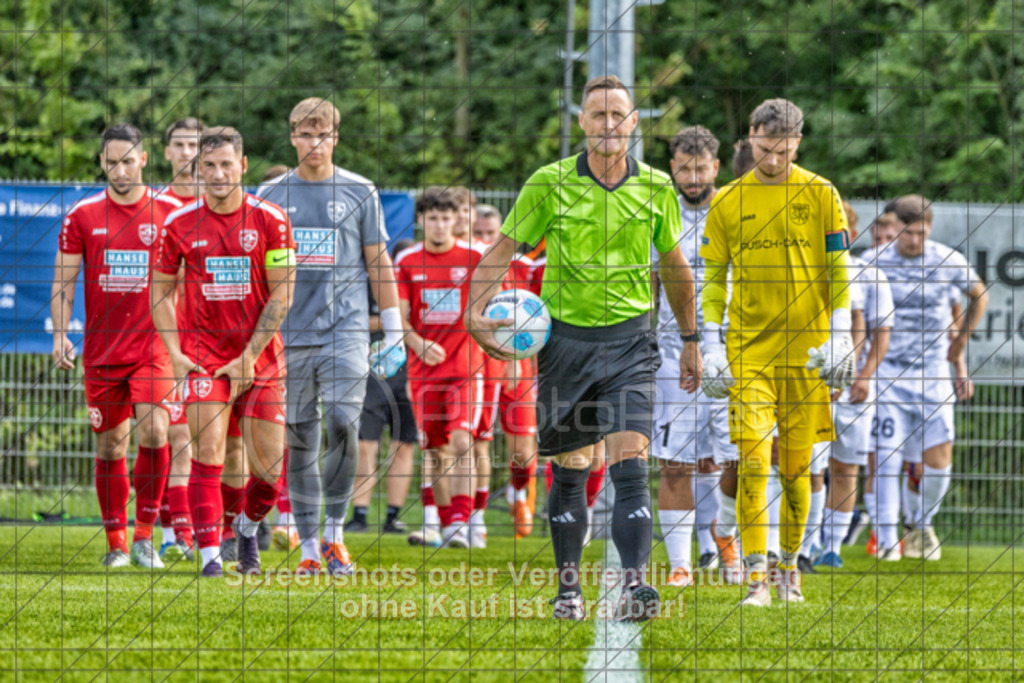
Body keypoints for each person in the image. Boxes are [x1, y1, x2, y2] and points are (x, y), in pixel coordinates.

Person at [465, 75, 702, 622]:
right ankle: (568, 591)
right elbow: (503, 250)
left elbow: (675, 268)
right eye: (598, 114)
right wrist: (475, 313)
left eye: (618, 113)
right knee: (571, 468)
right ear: (582, 122)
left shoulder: (658, 187)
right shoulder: (548, 183)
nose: (609, 123)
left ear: (635, 121)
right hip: (565, 343)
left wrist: (691, 340)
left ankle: (636, 587)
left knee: (630, 461)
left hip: (631, 343)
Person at [700, 98, 854, 607]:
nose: (773, 159)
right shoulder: (727, 201)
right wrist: (709, 338)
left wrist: (840, 334)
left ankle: (790, 568)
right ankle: (755, 579)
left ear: (798, 143)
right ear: (751, 136)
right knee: (751, 459)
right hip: (748, 355)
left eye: (784, 150)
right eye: (766, 148)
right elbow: (714, 277)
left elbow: (837, 270)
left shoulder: (822, 193)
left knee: (796, 471)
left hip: (807, 355)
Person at [256, 98, 401, 576]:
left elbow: (378, 262)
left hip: (347, 330)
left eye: (323, 134)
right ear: (292, 137)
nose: (314, 143)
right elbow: (259, 271)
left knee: (342, 421)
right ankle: (311, 548)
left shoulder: (360, 191)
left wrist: (394, 329)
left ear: (335, 138)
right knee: (299, 438)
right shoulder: (270, 195)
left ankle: (337, 534)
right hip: (290, 335)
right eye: (304, 134)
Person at [152, 126, 296, 578]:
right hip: (202, 359)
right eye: (208, 166)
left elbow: (283, 295)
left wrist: (250, 355)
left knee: (269, 474)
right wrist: (175, 353)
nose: (217, 174)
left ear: (243, 165)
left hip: (262, 360)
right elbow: (159, 294)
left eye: (225, 165)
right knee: (208, 454)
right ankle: (211, 557)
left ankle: (248, 529)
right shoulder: (178, 224)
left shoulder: (272, 219)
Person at [52, 123, 182, 569]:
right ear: (102, 163)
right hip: (103, 351)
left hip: (154, 348)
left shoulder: (172, 212)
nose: (121, 169)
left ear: (144, 159)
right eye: (112, 162)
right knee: (110, 448)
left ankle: (145, 536)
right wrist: (59, 334)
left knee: (156, 430)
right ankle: (116, 544)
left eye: (128, 160)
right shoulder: (83, 216)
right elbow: (63, 282)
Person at [863, 194, 987, 561]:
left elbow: (979, 296)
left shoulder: (946, 260)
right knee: (885, 458)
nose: (914, 239)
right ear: (894, 226)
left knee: (939, 459)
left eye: (921, 232)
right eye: (907, 232)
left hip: (932, 376)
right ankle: (886, 540)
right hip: (887, 377)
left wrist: (958, 348)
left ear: (929, 229)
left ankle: (920, 525)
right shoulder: (873, 263)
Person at [650, 125, 740, 588]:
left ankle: (726, 543)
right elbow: (650, 282)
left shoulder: (735, 210)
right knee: (676, 461)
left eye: (700, 168)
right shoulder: (658, 210)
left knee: (736, 459)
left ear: (716, 168)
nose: (692, 177)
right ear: (672, 167)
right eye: (684, 168)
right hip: (672, 355)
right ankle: (681, 564)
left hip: (728, 351)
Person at [397, 187, 484, 549]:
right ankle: (445, 524)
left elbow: (495, 310)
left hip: (465, 368)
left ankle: (463, 523)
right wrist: (416, 342)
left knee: (463, 442)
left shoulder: (476, 256)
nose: (439, 225)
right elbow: (398, 319)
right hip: (423, 371)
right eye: (432, 218)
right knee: (434, 451)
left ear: (457, 220)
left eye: (446, 218)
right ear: (421, 220)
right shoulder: (406, 261)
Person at [813, 202, 893, 569]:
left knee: (846, 467)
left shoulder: (869, 275)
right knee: (808, 466)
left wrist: (859, 376)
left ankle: (833, 546)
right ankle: (807, 542)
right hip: (810, 384)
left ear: (853, 232)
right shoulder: (803, 268)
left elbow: (877, 332)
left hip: (852, 387)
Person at [471, 205, 540, 539]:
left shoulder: (524, 267)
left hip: (520, 362)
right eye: (479, 232)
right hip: (478, 362)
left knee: (523, 449)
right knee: (475, 442)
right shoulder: (469, 261)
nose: (485, 240)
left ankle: (518, 492)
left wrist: (521, 354)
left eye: (491, 234)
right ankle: (476, 518)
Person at [156, 117, 206, 562]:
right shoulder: (154, 207)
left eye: (196, 144)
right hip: (165, 343)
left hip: (214, 342)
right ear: (167, 152)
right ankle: (173, 532)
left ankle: (214, 530)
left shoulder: (220, 206)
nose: (188, 152)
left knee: (212, 440)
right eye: (181, 144)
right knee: (172, 435)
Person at [347, 239, 419, 535]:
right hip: (372, 376)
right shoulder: (363, 282)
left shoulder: (416, 281)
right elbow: (352, 319)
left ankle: (393, 516)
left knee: (404, 446)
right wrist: (394, 322)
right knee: (365, 447)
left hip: (411, 374)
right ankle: (360, 514)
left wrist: (402, 325)